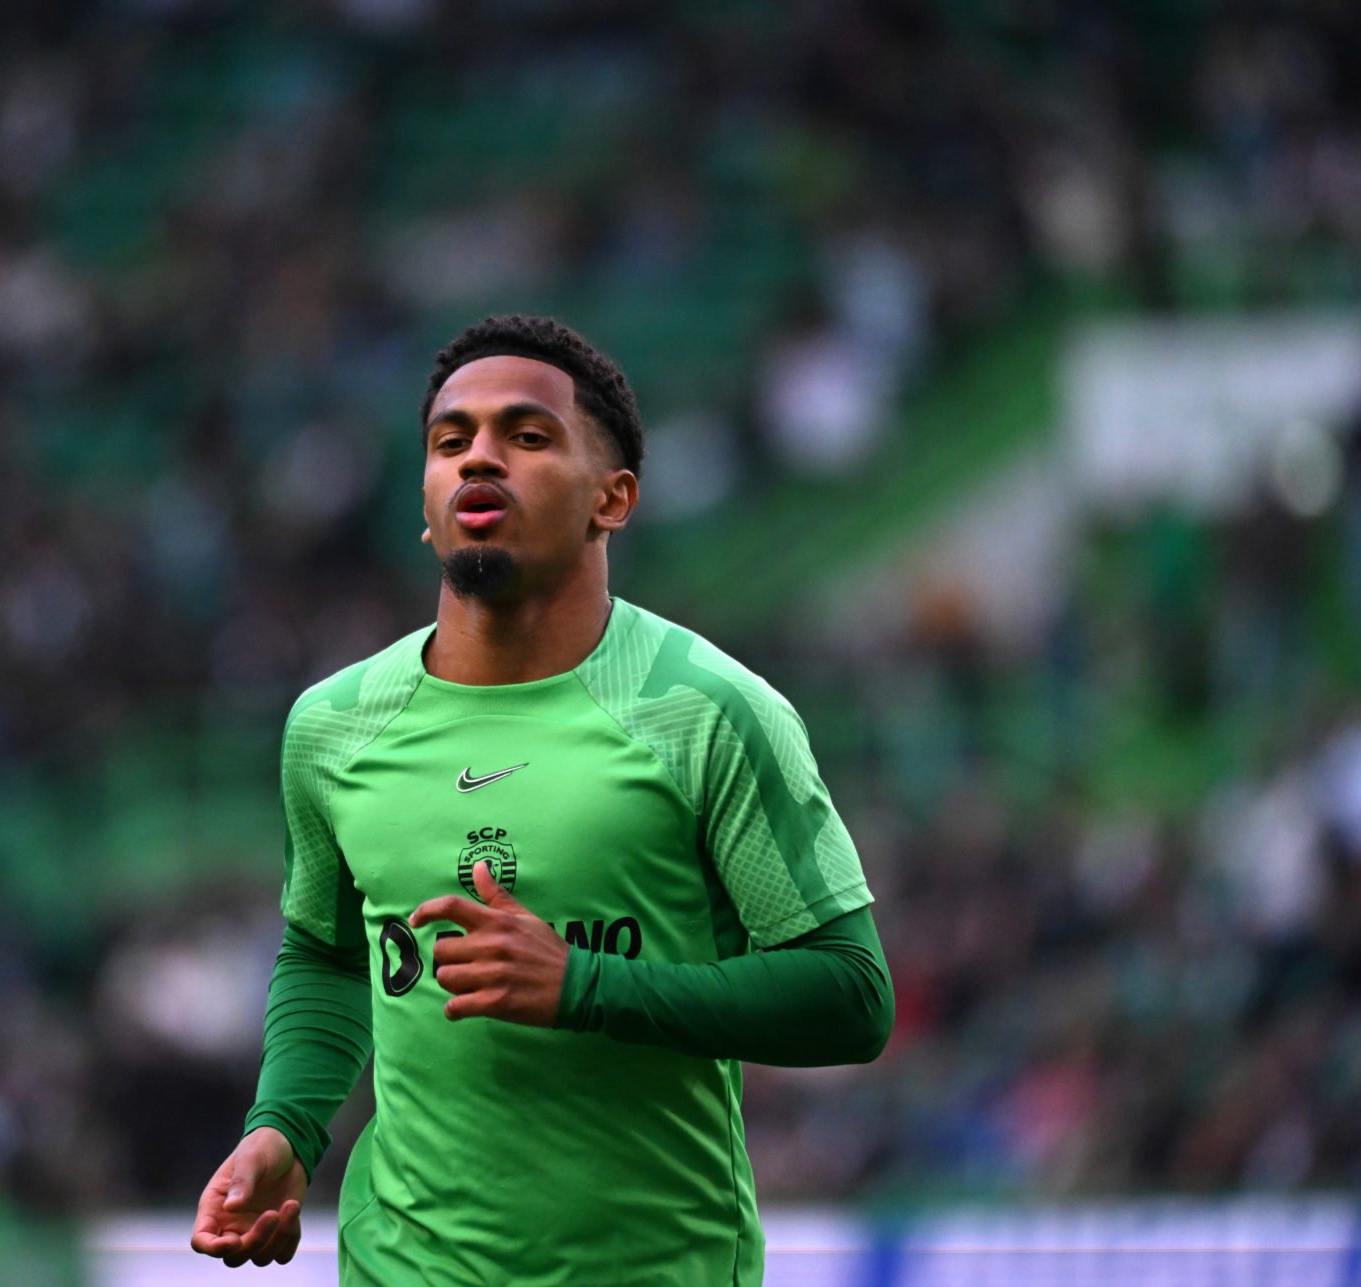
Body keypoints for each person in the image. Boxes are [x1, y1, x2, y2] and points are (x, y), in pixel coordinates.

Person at [190, 315, 894, 1283]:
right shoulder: (332, 727)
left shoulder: (709, 714)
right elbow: (326, 956)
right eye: (451, 441)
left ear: (614, 499)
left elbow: (852, 999)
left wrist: (586, 988)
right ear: (427, 506)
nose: (481, 456)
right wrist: (285, 1127)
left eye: (527, 436)